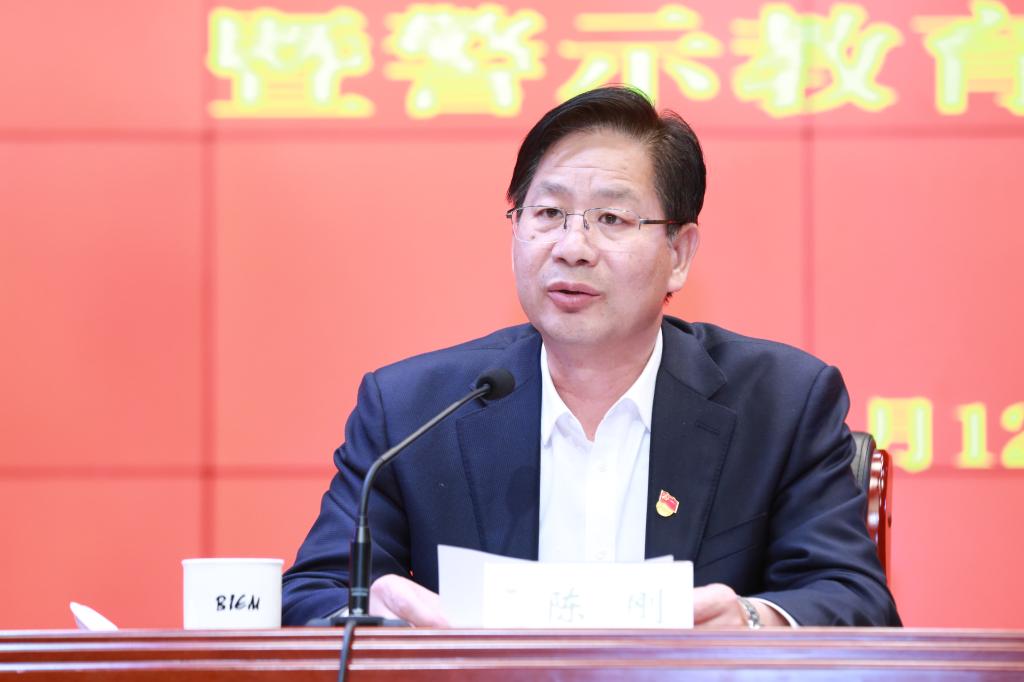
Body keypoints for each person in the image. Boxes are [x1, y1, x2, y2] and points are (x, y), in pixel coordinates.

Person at [281, 86, 901, 628]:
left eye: (611, 217)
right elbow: (312, 594)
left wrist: (752, 621)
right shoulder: (413, 410)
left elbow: (855, 601)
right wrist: (376, 615)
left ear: (679, 253)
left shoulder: (782, 404)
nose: (572, 246)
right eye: (548, 213)